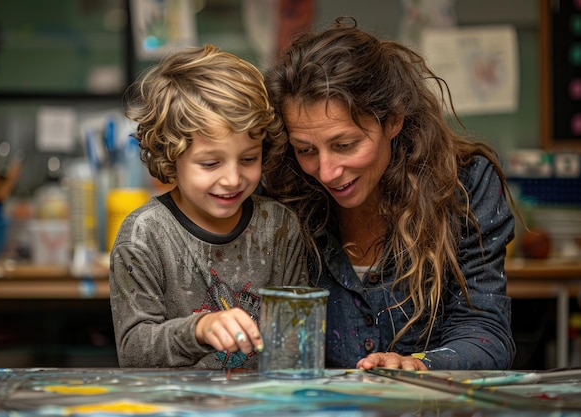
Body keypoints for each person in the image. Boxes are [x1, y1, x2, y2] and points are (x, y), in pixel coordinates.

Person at [262, 17, 518, 371]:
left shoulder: (465, 186)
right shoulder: (280, 192)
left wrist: (422, 365)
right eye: (306, 149)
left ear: (393, 120)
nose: (326, 171)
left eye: (345, 145)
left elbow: (485, 333)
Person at [110, 44, 308, 369]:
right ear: (171, 157)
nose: (233, 179)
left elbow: (297, 341)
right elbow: (134, 351)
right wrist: (199, 330)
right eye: (211, 163)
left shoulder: (280, 227)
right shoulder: (145, 234)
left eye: (248, 159)